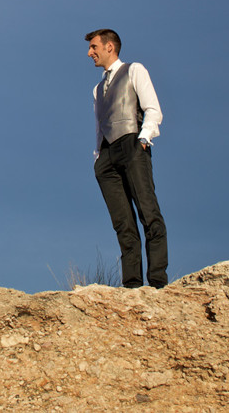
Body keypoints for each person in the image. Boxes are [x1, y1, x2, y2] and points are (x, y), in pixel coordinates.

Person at [85, 29, 169, 288]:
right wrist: (98, 157)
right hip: (107, 157)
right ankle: (132, 284)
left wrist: (143, 139)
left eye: (94, 47)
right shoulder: (97, 90)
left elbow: (153, 108)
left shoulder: (135, 70)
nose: (90, 53)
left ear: (110, 47)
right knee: (122, 222)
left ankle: (157, 281)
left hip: (132, 144)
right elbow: (101, 125)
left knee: (148, 211)